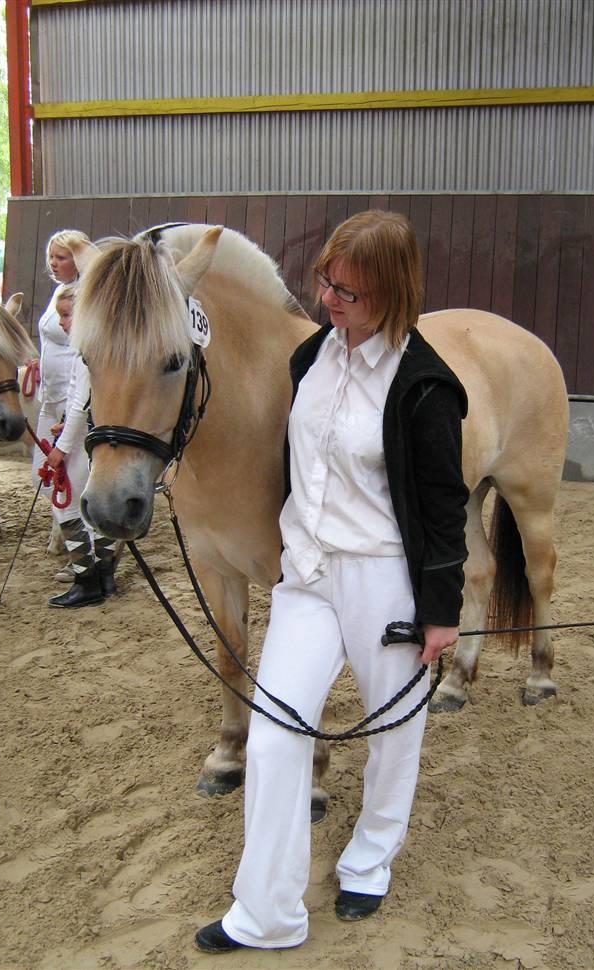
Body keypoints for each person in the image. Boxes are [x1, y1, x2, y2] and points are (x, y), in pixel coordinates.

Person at [195, 210, 469, 953]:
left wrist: (440, 609)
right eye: (325, 281)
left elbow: (447, 506)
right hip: (307, 576)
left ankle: (369, 861)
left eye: (348, 290)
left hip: (385, 580)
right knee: (276, 739)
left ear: (392, 290)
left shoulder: (425, 386)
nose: (329, 300)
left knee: (392, 732)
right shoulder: (311, 356)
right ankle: (265, 912)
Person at [44, 285, 118, 608]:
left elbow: (79, 403)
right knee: (94, 508)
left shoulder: (87, 351)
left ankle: (86, 580)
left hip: (85, 441)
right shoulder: (92, 348)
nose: (61, 322)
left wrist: (61, 446)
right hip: (92, 435)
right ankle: (105, 576)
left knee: (66, 506)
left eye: (66, 315)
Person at [30, 229, 92, 583]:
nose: (54, 264)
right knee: (49, 474)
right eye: (51, 257)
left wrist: (72, 411)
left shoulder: (86, 294)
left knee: (74, 480)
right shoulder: (60, 291)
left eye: (62, 257)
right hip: (51, 398)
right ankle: (77, 550)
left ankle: (88, 563)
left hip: (74, 403)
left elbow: (79, 356)